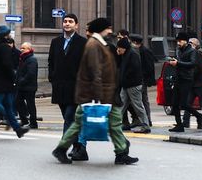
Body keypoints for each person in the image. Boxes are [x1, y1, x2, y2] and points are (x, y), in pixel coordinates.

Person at [51, 17, 138, 166]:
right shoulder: (93, 45)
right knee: (93, 122)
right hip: (98, 94)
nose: (110, 31)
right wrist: (98, 97)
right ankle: (121, 152)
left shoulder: (99, 44)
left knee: (105, 123)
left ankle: (121, 152)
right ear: (101, 29)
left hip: (100, 93)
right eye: (108, 28)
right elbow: (95, 71)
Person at [0, 26, 27, 136]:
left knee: (8, 108)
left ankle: (18, 129)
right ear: (5, 35)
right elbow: (7, 65)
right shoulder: (5, 48)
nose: (10, 36)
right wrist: (13, 77)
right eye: (9, 34)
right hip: (3, 83)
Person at [48, 13, 87, 133]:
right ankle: (78, 145)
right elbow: (51, 61)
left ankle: (63, 147)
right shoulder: (56, 42)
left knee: (70, 117)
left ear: (76, 25)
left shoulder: (83, 42)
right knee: (67, 117)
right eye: (65, 21)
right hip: (59, 87)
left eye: (70, 21)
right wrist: (52, 78)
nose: (67, 24)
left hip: (75, 87)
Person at [169, 32, 202, 132]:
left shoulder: (192, 51)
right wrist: (174, 62)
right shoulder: (179, 50)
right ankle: (179, 125)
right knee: (174, 103)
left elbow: (193, 63)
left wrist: (178, 63)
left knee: (184, 104)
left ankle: (199, 116)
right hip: (178, 79)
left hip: (187, 79)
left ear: (186, 41)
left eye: (180, 41)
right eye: (177, 41)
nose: (178, 43)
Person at [116, 36, 150, 132]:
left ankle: (145, 125)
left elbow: (133, 70)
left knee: (138, 106)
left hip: (133, 85)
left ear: (124, 47)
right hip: (126, 85)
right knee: (121, 105)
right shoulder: (125, 54)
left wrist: (124, 78)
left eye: (119, 48)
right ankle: (114, 125)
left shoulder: (132, 54)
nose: (118, 50)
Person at [132, 35, 155, 127]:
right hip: (141, 79)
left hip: (142, 79)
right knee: (141, 100)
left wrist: (143, 76)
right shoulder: (138, 51)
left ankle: (147, 119)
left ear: (136, 43)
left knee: (143, 100)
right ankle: (144, 119)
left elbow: (149, 67)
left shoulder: (144, 51)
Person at [16, 41, 39, 129]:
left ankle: (33, 123)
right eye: (21, 48)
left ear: (29, 49)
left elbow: (31, 73)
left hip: (29, 87)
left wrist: (22, 80)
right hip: (22, 86)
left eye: (23, 48)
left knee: (30, 104)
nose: (21, 49)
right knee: (18, 102)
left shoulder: (31, 59)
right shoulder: (23, 58)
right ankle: (24, 120)